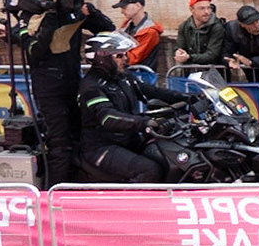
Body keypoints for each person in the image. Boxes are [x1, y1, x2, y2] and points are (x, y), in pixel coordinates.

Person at [22, 0, 113, 186]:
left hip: (73, 83)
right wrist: (51, 16)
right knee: (59, 144)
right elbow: (35, 52)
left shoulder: (75, 13)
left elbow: (107, 29)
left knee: (79, 136)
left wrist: (90, 14)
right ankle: (55, 194)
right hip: (49, 90)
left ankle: (78, 184)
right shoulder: (31, 16)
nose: (72, 2)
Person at [77, 31, 191, 183]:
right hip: (101, 147)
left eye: (125, 54)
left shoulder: (122, 77)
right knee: (150, 170)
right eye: (119, 55)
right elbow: (108, 117)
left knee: (168, 158)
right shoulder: (91, 86)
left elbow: (150, 91)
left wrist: (187, 97)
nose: (126, 59)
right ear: (102, 58)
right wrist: (145, 123)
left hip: (127, 140)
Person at [174, 0, 228, 70]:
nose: (207, 12)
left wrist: (189, 57)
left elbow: (212, 55)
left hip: (213, 72)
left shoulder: (217, 27)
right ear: (192, 10)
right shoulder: (184, 26)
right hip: (190, 72)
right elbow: (180, 46)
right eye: (202, 8)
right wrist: (178, 53)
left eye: (209, 8)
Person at [110, 0, 161, 68]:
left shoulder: (150, 31)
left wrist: (111, 55)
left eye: (124, 7)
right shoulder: (126, 25)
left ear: (138, 5)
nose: (122, 12)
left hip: (142, 74)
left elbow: (133, 58)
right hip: (126, 70)